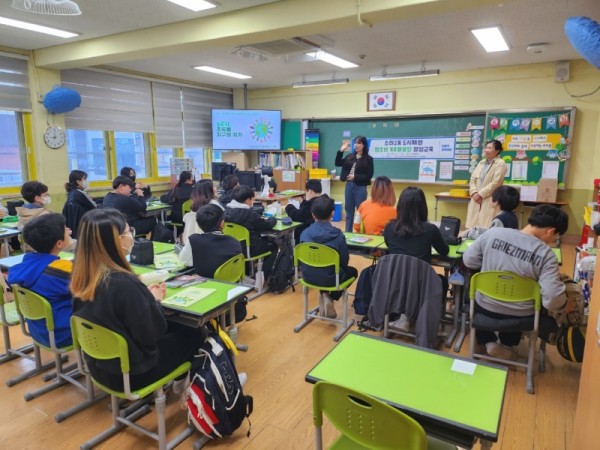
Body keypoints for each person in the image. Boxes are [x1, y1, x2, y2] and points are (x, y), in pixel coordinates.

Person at [70, 208, 204, 392]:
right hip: (131, 375)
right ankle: (203, 392)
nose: (131, 236)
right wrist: (154, 301)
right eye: (127, 232)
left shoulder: (82, 277)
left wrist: (144, 300)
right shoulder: (124, 284)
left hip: (98, 366)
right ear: (115, 240)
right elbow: (152, 333)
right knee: (195, 331)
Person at [462, 204, 570, 360]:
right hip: (522, 316)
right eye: (556, 237)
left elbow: (469, 260)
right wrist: (566, 305)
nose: (554, 241)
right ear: (551, 231)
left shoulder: (493, 234)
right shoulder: (547, 255)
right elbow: (552, 299)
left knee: (474, 293)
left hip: (485, 305)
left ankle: (488, 342)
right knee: (526, 302)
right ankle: (508, 344)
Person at [8, 214, 74, 348]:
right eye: (65, 230)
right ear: (59, 243)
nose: (68, 231)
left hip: (38, 330)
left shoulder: (26, 263)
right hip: (64, 333)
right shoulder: (62, 272)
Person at [300, 195, 358, 319]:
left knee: (323, 270)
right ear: (332, 213)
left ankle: (325, 294)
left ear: (313, 215)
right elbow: (344, 262)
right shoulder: (338, 236)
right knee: (352, 271)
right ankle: (331, 297)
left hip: (307, 276)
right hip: (331, 280)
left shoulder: (304, 234)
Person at [383, 186, 449, 264]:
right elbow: (444, 251)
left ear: (400, 206)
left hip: (395, 275)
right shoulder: (431, 230)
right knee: (442, 277)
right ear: (423, 207)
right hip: (421, 276)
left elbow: (389, 246)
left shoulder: (389, 228)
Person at [224, 185, 277, 277]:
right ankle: (264, 275)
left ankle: (246, 274)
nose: (252, 202)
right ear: (247, 200)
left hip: (232, 248)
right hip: (249, 249)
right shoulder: (249, 214)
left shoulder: (226, 211)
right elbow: (266, 225)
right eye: (252, 199)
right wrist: (273, 219)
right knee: (274, 245)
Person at [179, 204, 243, 277]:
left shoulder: (194, 240)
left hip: (205, 283)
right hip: (230, 283)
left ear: (199, 224)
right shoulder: (234, 242)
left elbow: (184, 261)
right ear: (222, 223)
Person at [335, 136, 375, 232]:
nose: (356, 145)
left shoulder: (368, 159)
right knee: (349, 212)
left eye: (359, 143)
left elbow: (369, 175)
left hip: (360, 187)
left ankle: (361, 234)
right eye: (355, 143)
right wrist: (340, 151)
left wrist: (355, 177)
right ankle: (348, 234)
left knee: (360, 212)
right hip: (349, 186)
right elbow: (338, 163)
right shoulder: (350, 157)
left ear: (364, 145)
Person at [465, 139, 508, 229]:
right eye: (486, 148)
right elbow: (473, 179)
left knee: (486, 225)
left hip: (489, 198)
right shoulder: (481, 162)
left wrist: (480, 194)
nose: (486, 150)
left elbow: (496, 182)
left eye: (489, 148)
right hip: (475, 198)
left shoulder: (500, 164)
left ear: (497, 150)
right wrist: (474, 193)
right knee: (472, 226)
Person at [181, 179, 223, 243]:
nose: (216, 189)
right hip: (210, 243)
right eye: (214, 187)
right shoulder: (214, 205)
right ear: (209, 191)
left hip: (191, 243)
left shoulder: (194, 205)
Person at [63, 169, 97, 238]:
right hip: (83, 225)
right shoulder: (80, 193)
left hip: (74, 229)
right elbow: (94, 206)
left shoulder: (71, 192)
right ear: (78, 182)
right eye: (84, 179)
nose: (86, 181)